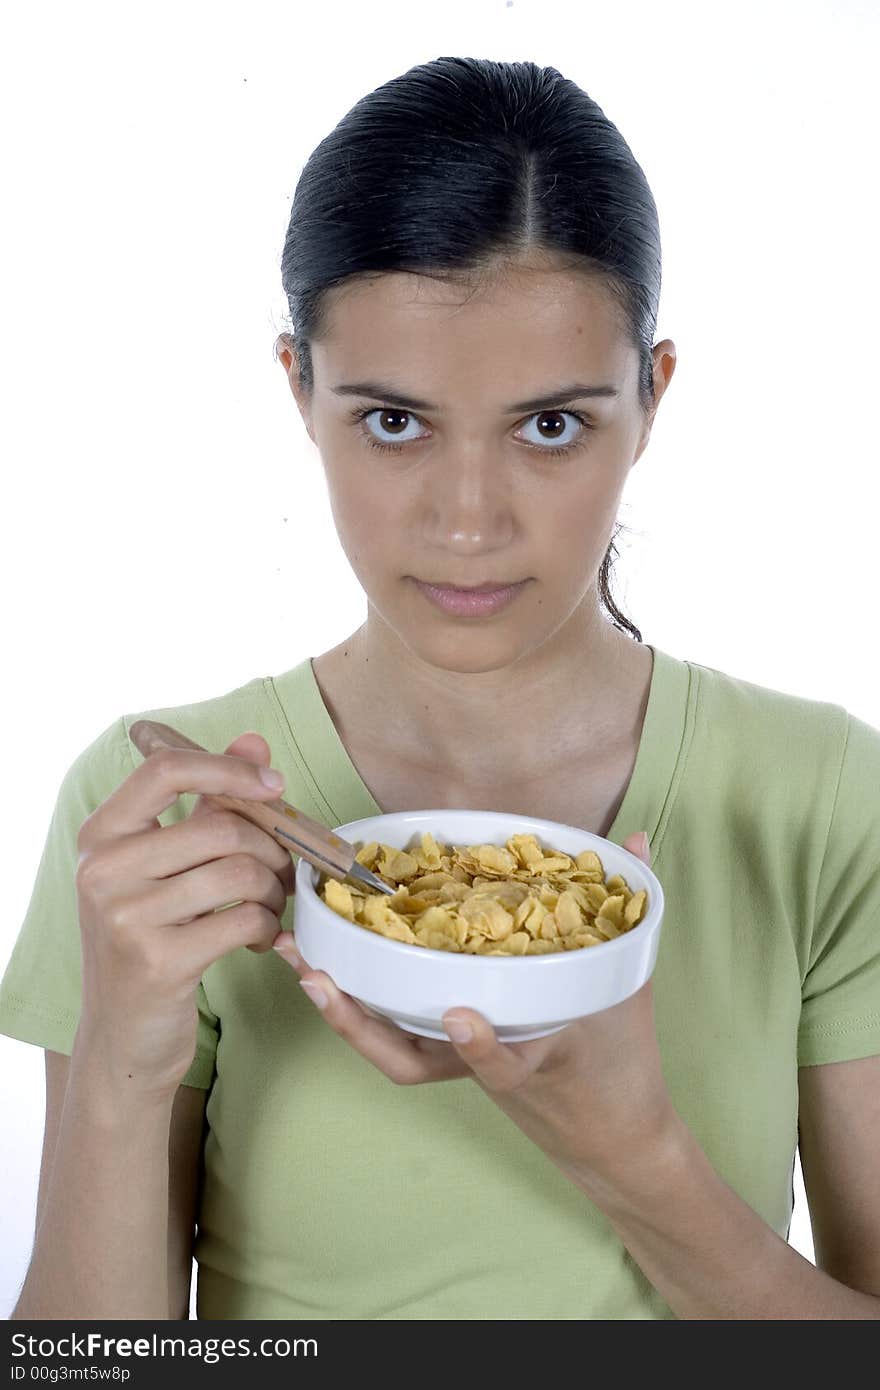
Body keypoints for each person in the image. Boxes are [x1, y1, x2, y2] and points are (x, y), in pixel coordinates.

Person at [2, 55, 879, 1322]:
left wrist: (629, 1153)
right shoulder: (163, 816)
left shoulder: (822, 797)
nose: (467, 522)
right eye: (396, 422)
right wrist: (122, 1071)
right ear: (300, 389)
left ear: (652, 396)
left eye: (550, 426)